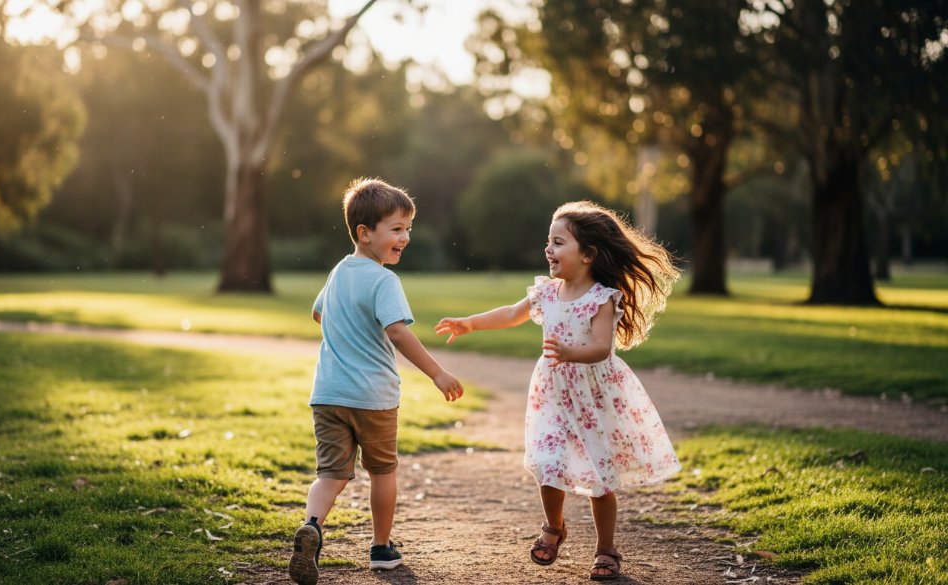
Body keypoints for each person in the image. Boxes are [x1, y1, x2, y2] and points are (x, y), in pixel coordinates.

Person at [435, 200, 681, 581]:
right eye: (548, 241)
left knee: (600, 478)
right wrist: (469, 323)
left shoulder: (602, 298)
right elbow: (511, 314)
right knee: (548, 462)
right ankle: (554, 526)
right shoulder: (548, 292)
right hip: (552, 393)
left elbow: (601, 347)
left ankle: (606, 549)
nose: (548, 249)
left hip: (594, 396)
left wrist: (571, 352)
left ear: (588, 254)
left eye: (558, 242)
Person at [288, 178, 465, 585]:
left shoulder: (338, 272)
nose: (404, 237)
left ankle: (312, 526)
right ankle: (382, 548)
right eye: (396, 229)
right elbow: (398, 331)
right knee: (383, 471)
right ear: (365, 233)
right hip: (374, 397)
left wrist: (347, 329)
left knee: (330, 474)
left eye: (408, 229)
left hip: (328, 394)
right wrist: (437, 372)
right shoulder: (384, 281)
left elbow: (319, 315)